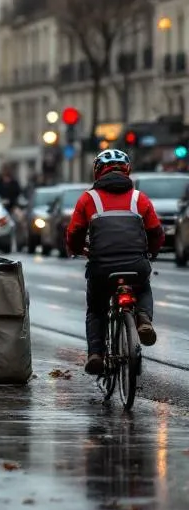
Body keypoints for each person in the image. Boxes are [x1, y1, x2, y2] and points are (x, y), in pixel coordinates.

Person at [65, 149, 162, 375]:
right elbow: (156, 232)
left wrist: (78, 249)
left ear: (98, 172)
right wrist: (152, 252)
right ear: (127, 170)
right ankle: (144, 319)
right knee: (143, 287)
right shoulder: (140, 198)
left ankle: (96, 354)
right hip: (136, 264)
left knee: (97, 310)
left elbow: (75, 233)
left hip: (101, 268)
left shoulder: (88, 199)